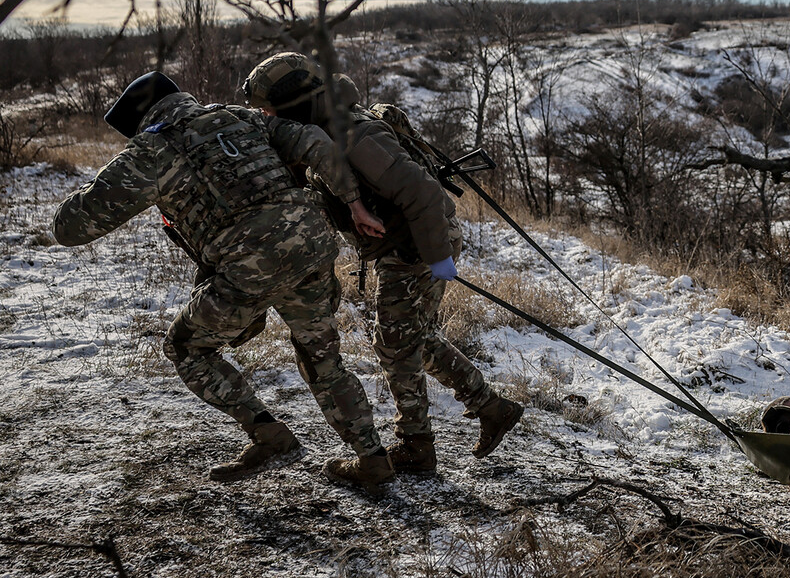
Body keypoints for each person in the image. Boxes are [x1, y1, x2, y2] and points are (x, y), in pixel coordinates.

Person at [52, 71, 397, 487]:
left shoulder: (148, 153)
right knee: (323, 359)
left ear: (140, 121)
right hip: (310, 246)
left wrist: (103, 181)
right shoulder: (239, 117)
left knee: (186, 347)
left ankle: (269, 435)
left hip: (247, 266)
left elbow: (69, 229)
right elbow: (315, 143)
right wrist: (353, 202)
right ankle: (372, 458)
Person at [242, 53, 524, 474]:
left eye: (267, 107)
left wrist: (437, 258)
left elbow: (424, 195)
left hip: (415, 245)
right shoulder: (323, 129)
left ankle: (416, 446)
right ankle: (491, 407)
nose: (265, 116)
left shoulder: (353, 134)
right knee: (412, 338)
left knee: (395, 345)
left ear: (289, 99)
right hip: (406, 244)